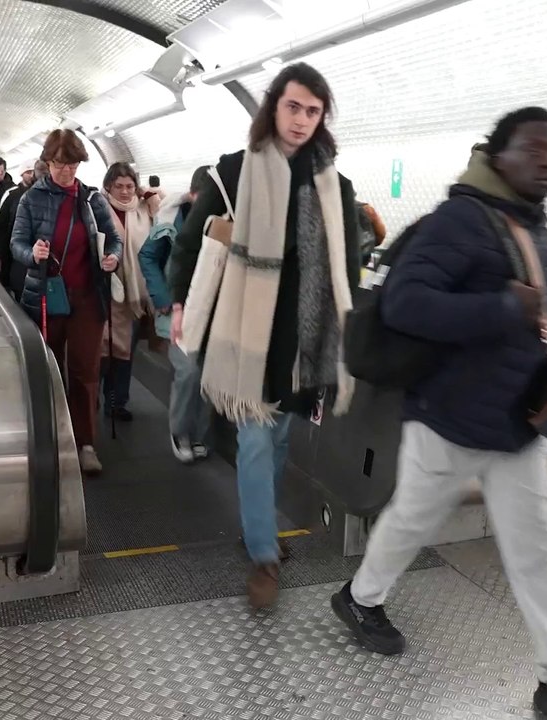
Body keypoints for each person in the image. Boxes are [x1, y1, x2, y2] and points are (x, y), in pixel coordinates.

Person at [330, 108, 547, 720]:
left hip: (518, 424)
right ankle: (360, 597)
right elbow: (407, 305)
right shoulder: (459, 220)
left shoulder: (534, 225)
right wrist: (499, 309)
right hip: (448, 419)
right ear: (499, 155)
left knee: (533, 549)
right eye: (534, 150)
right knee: (411, 520)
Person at [167, 62, 363, 609]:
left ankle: (263, 532)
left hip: (302, 337)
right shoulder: (233, 173)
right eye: (293, 107)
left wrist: (347, 324)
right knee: (255, 439)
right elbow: (190, 243)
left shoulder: (334, 185)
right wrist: (180, 299)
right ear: (274, 107)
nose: (301, 120)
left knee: (278, 439)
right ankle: (263, 556)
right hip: (248, 329)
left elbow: (348, 264)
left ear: (322, 118)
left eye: (313, 111)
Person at [10, 130, 123, 476]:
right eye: (60, 164)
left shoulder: (91, 200)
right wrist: (34, 254)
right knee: (51, 370)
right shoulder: (31, 199)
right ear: (49, 163)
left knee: (86, 371)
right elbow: (17, 243)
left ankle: (86, 443)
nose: (66, 172)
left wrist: (113, 258)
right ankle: (55, 440)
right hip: (47, 296)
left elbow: (114, 238)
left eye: (72, 165)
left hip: (88, 296)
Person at [138, 165, 213, 463]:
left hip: (209, 311)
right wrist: (163, 297)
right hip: (177, 309)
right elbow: (148, 256)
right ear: (193, 195)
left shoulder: (224, 220)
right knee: (188, 371)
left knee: (206, 375)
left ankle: (197, 435)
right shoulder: (170, 221)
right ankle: (180, 431)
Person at [99, 162, 160, 422]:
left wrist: (153, 196)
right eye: (119, 186)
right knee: (103, 351)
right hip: (106, 291)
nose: (125, 192)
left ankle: (117, 402)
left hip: (135, 295)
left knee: (126, 352)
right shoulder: (98, 208)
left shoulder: (143, 210)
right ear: (109, 186)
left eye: (130, 186)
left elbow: (164, 219)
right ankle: (95, 397)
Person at [0, 162, 41, 294]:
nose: (32, 175)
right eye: (28, 172)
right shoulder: (11, 195)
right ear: (21, 174)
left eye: (33, 172)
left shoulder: (42, 195)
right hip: (13, 254)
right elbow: (0, 225)